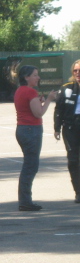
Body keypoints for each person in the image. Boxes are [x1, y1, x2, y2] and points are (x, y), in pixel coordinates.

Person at [13, 66, 56, 211]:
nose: (38, 78)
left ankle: (25, 200)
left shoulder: (20, 90)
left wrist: (39, 101)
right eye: (35, 75)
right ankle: (25, 201)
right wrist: (49, 99)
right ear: (26, 77)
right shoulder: (30, 91)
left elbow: (30, 108)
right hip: (31, 130)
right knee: (30, 166)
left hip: (22, 129)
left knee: (29, 165)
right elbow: (38, 113)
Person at [53, 59, 80, 203]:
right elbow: (59, 109)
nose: (77, 73)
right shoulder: (66, 88)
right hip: (70, 128)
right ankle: (78, 192)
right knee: (73, 161)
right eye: (75, 71)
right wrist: (57, 128)